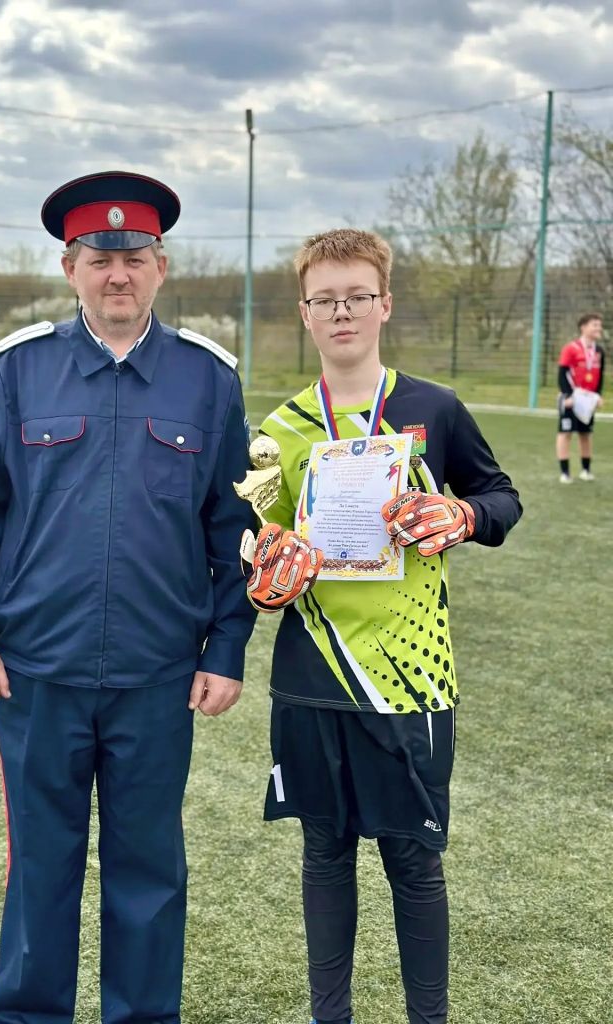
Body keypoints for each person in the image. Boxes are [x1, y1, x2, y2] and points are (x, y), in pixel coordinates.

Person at [0, 171, 256, 1024]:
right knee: (40, 869)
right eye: (100, 258)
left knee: (150, 873)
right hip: (37, 674)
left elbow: (234, 531)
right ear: (70, 267)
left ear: (161, 267)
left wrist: (226, 649)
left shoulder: (208, 380)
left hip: (158, 677)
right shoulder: (18, 370)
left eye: (135, 257)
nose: (118, 274)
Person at [250, 228, 522, 1024]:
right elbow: (255, 546)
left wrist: (463, 515)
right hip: (312, 677)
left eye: (357, 296)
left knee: (413, 861)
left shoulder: (434, 408)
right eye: (325, 299)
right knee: (324, 855)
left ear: (385, 305)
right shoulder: (280, 430)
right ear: (305, 312)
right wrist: (264, 575)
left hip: (411, 678)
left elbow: (502, 498)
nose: (342, 311)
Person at [556, 312, 605, 483]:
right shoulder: (570, 348)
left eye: (599, 325)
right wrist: (568, 396)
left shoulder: (599, 351)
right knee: (565, 433)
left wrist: (597, 396)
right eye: (595, 325)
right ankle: (565, 473)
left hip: (588, 399)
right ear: (583, 327)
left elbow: (600, 376)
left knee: (586, 434)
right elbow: (562, 374)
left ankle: (586, 470)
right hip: (572, 397)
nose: (598, 328)